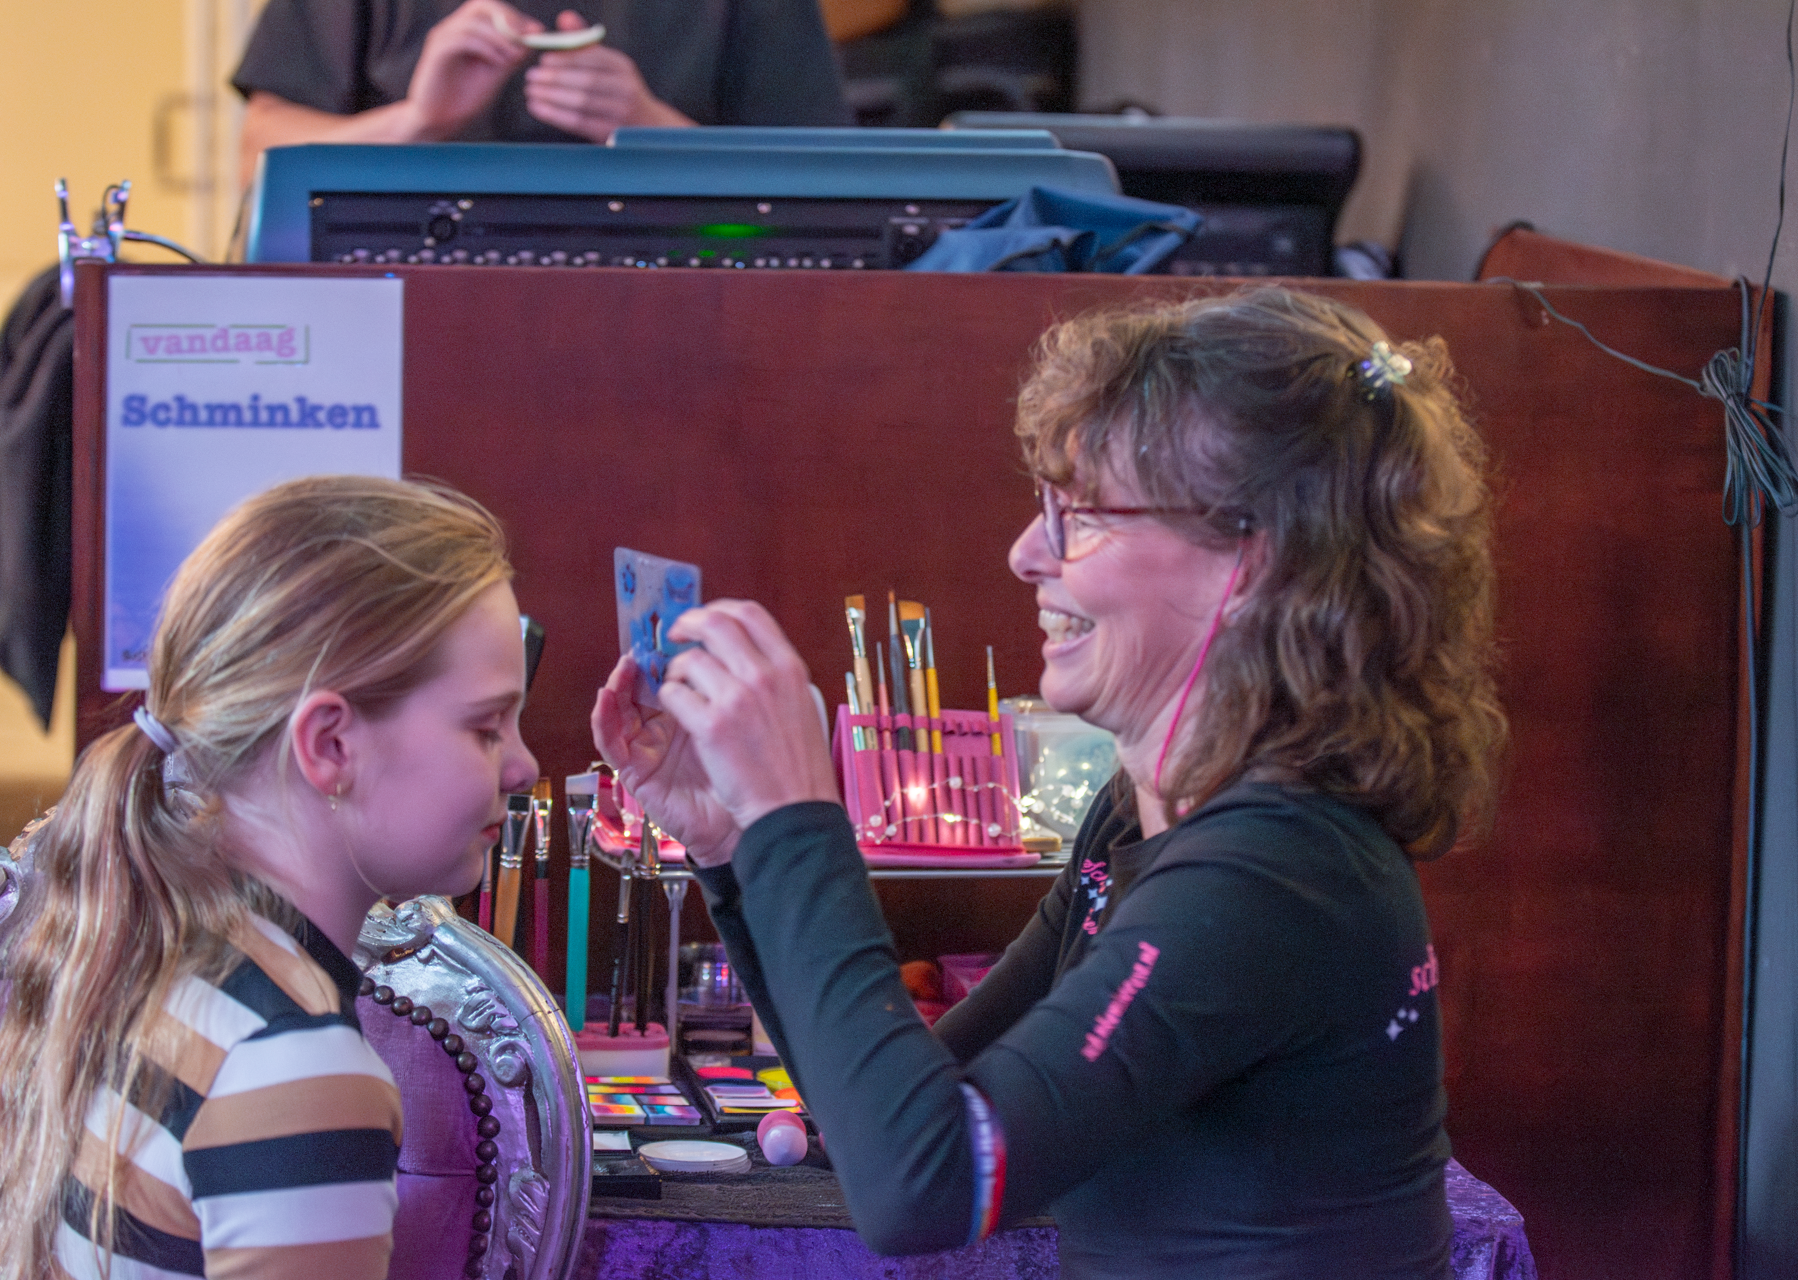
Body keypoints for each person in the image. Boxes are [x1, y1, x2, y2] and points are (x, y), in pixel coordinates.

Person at [591, 286, 1506, 1277]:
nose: (1026, 553)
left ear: (1252, 558)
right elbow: (891, 1114)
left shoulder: (1275, 870)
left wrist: (798, 821)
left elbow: (924, 1184)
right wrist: (738, 844)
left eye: (1082, 515)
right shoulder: (1138, 815)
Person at [0, 476, 538, 1279]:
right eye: (487, 727)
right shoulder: (293, 1067)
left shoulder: (152, 954)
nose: (524, 766)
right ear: (330, 745)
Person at [233, 0, 852, 181]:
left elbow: (829, 186)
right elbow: (256, 159)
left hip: (687, 326)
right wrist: (418, 122)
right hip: (405, 326)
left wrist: (652, 131)